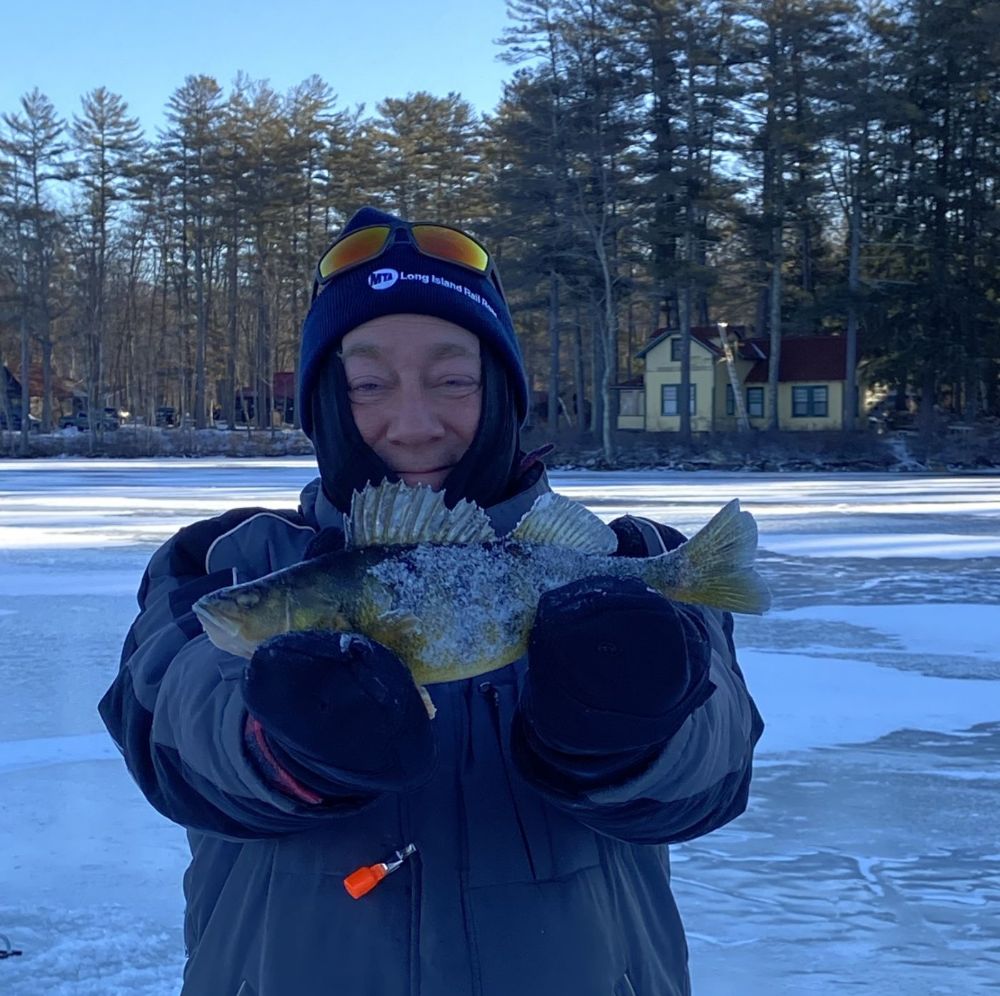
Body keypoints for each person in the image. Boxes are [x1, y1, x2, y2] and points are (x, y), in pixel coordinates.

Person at [99, 206, 763, 996]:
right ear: (324, 404)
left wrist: (629, 731)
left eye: (453, 380)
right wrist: (280, 745)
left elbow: (711, 776)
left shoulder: (638, 563)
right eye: (368, 384)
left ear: (505, 394)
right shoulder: (221, 562)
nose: (412, 425)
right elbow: (171, 732)